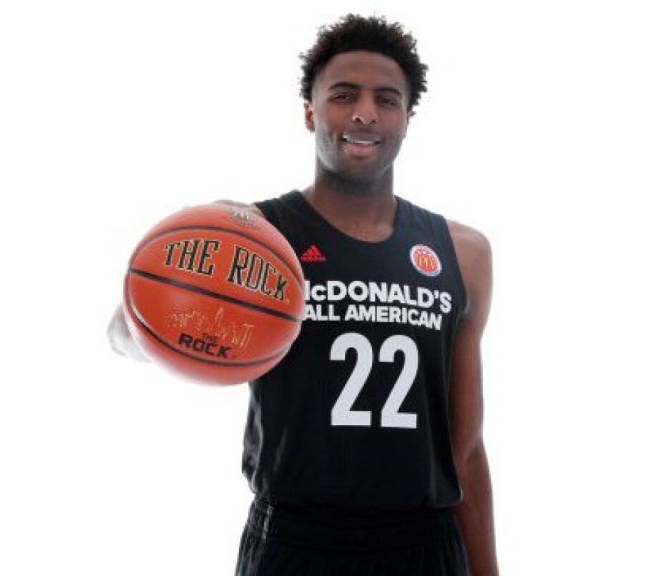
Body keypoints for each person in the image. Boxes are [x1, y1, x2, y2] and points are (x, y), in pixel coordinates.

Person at [109, 14, 498, 575]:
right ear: (310, 112)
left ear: (406, 119)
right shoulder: (252, 237)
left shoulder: (462, 252)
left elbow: (467, 448)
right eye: (344, 95)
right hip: (295, 540)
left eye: (386, 99)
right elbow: (124, 332)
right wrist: (155, 313)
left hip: (424, 543)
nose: (365, 112)